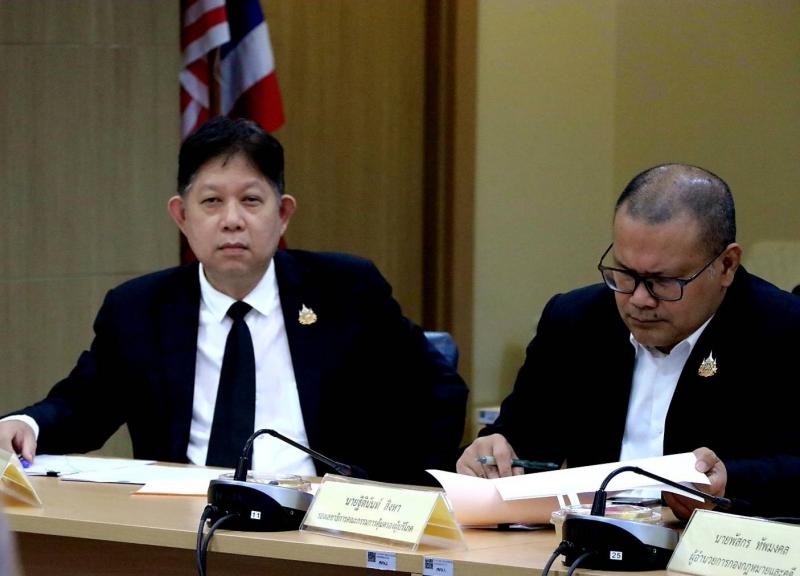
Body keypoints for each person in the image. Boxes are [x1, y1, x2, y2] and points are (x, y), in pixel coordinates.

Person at [0, 116, 468, 487]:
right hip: (182, 522)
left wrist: (395, 494)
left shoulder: (346, 290)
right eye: (211, 202)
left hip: (320, 523)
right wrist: (27, 424)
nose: (231, 220)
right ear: (181, 216)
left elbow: (438, 391)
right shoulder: (139, 309)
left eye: (251, 200)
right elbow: (84, 405)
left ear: (283, 214)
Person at [457, 164, 800, 519]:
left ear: (726, 265)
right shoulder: (576, 320)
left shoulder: (784, 331)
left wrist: (731, 483)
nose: (638, 299)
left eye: (663, 281)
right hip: (585, 543)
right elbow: (523, 440)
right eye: (624, 273)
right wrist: (490, 453)